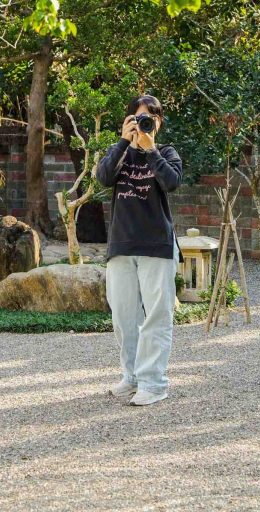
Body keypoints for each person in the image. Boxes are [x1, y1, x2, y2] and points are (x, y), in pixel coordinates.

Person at [94, 94, 184, 406]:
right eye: (138, 117)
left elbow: (171, 182)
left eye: (151, 118)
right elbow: (103, 177)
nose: (144, 123)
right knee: (123, 316)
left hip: (156, 245)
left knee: (156, 316)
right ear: (128, 120)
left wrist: (151, 151)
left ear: (159, 123)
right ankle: (131, 377)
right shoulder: (119, 152)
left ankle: (154, 383)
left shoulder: (167, 153)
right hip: (121, 244)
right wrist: (124, 143)